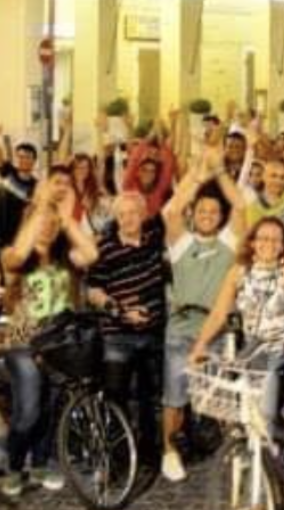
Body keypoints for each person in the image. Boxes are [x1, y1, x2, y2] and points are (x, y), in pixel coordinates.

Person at [188, 217, 284, 508]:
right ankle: (264, 477)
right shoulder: (238, 271)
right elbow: (219, 312)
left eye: (275, 239)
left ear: (283, 245)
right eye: (263, 238)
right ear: (252, 242)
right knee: (260, 418)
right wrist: (200, 345)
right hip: (261, 347)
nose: (269, 244)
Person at [0, 181, 98, 495]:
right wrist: (41, 208)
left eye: (52, 225)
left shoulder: (66, 258)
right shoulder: (18, 260)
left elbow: (91, 253)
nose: (48, 229)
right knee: (28, 410)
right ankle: (15, 465)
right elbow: (15, 255)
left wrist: (66, 218)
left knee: (50, 406)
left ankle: (40, 464)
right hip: (23, 343)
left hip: (59, 345)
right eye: (42, 224)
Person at [158, 147, 243, 482]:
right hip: (181, 330)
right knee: (174, 397)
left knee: (223, 397)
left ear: (219, 217)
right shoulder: (181, 244)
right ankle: (169, 450)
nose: (208, 214)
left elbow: (240, 205)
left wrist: (220, 169)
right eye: (202, 210)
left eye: (213, 211)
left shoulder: (228, 244)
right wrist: (197, 171)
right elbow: (173, 210)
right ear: (195, 214)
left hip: (218, 330)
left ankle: (231, 454)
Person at [85, 192, 172, 469]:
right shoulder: (106, 248)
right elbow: (93, 291)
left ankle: (147, 454)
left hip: (153, 333)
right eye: (121, 215)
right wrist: (121, 310)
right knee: (115, 396)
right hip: (117, 335)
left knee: (150, 397)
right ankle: (116, 456)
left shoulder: (155, 240)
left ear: (143, 214)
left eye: (133, 213)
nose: (127, 219)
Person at [0, 124, 42, 246]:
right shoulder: (9, 172)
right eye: (20, 156)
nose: (23, 160)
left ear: (34, 161)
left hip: (12, 239)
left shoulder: (36, 186)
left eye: (27, 157)